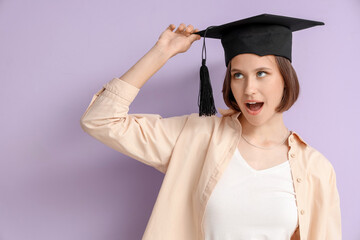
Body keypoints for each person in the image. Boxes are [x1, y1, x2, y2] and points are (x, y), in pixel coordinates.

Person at [80, 13, 341, 240]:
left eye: (262, 73)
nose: (249, 89)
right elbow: (101, 120)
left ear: (285, 79)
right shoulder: (196, 136)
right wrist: (161, 53)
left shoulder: (315, 169)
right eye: (238, 75)